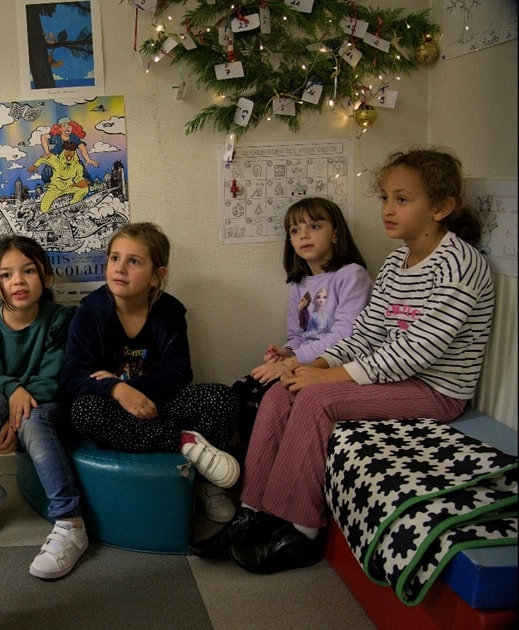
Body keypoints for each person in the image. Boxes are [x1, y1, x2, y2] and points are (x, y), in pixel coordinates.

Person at [191, 148, 495, 574]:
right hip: (393, 379)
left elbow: (418, 351)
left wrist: (329, 379)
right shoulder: (394, 264)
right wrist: (312, 366)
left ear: (442, 207)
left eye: (402, 199)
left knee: (318, 401)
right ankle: (252, 513)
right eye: (385, 198)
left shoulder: (460, 264)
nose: (388, 210)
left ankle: (301, 531)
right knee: (283, 391)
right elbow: (366, 334)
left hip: (435, 390)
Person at [61, 222, 241, 522]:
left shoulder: (169, 312)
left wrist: (138, 390)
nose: (119, 268)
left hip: (158, 404)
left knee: (223, 398)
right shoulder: (90, 313)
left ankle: (205, 485)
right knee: (84, 412)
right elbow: (71, 377)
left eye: (134, 261)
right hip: (114, 409)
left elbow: (180, 371)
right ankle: (185, 443)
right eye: (114, 257)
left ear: (158, 277)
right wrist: (118, 390)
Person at [0, 235, 87, 580]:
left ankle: (70, 521)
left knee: (32, 424)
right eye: (7, 274)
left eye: (28, 271)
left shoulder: (59, 320)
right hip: (2, 395)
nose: (18, 281)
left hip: (49, 402)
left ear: (45, 276)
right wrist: (12, 389)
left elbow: (54, 376)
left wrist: (15, 421)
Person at [228, 198, 372, 452]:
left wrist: (291, 363)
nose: (303, 235)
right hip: (303, 361)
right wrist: (286, 352)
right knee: (241, 390)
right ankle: (247, 466)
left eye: (314, 226)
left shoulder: (351, 275)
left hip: (336, 365)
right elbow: (297, 335)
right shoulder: (299, 283)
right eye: (295, 231)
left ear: (336, 234)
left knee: (262, 396)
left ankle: (265, 464)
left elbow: (346, 336)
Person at [28, 141, 90, 212]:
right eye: (67, 151)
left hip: (69, 187)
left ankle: (73, 204)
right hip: (55, 188)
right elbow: (43, 159)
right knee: (44, 207)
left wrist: (81, 182)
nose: (69, 153)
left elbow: (78, 177)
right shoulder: (56, 160)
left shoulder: (77, 166)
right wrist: (35, 165)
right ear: (64, 151)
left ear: (74, 152)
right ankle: (51, 213)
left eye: (71, 151)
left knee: (84, 189)